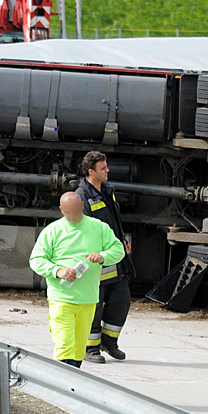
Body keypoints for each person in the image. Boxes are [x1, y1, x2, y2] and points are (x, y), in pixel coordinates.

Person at [29, 192, 124, 368]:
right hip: (61, 298)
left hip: (88, 299)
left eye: (74, 210)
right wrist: (58, 271)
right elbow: (36, 260)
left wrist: (103, 257)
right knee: (65, 346)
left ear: (82, 206)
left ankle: (72, 385)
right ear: (61, 210)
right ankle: (63, 387)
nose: (71, 215)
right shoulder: (52, 230)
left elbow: (118, 250)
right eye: (67, 212)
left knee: (79, 349)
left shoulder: (99, 228)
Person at [76, 151, 133, 363]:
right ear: (91, 172)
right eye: (103, 168)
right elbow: (83, 230)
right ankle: (90, 348)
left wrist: (122, 240)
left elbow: (113, 220)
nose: (107, 171)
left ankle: (110, 342)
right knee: (95, 305)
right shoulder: (81, 196)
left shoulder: (108, 191)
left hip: (114, 257)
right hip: (96, 262)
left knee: (121, 300)